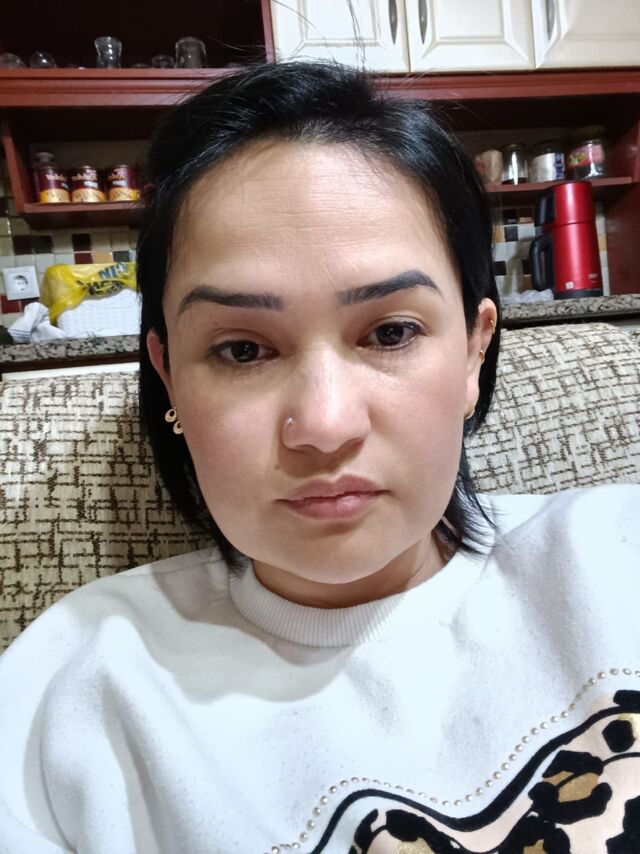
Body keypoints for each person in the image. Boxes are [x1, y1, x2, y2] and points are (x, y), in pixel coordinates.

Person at [0, 60, 638, 854]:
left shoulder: (616, 553)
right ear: (169, 377)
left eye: (391, 332)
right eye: (242, 349)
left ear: (475, 351)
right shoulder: (70, 691)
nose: (326, 426)